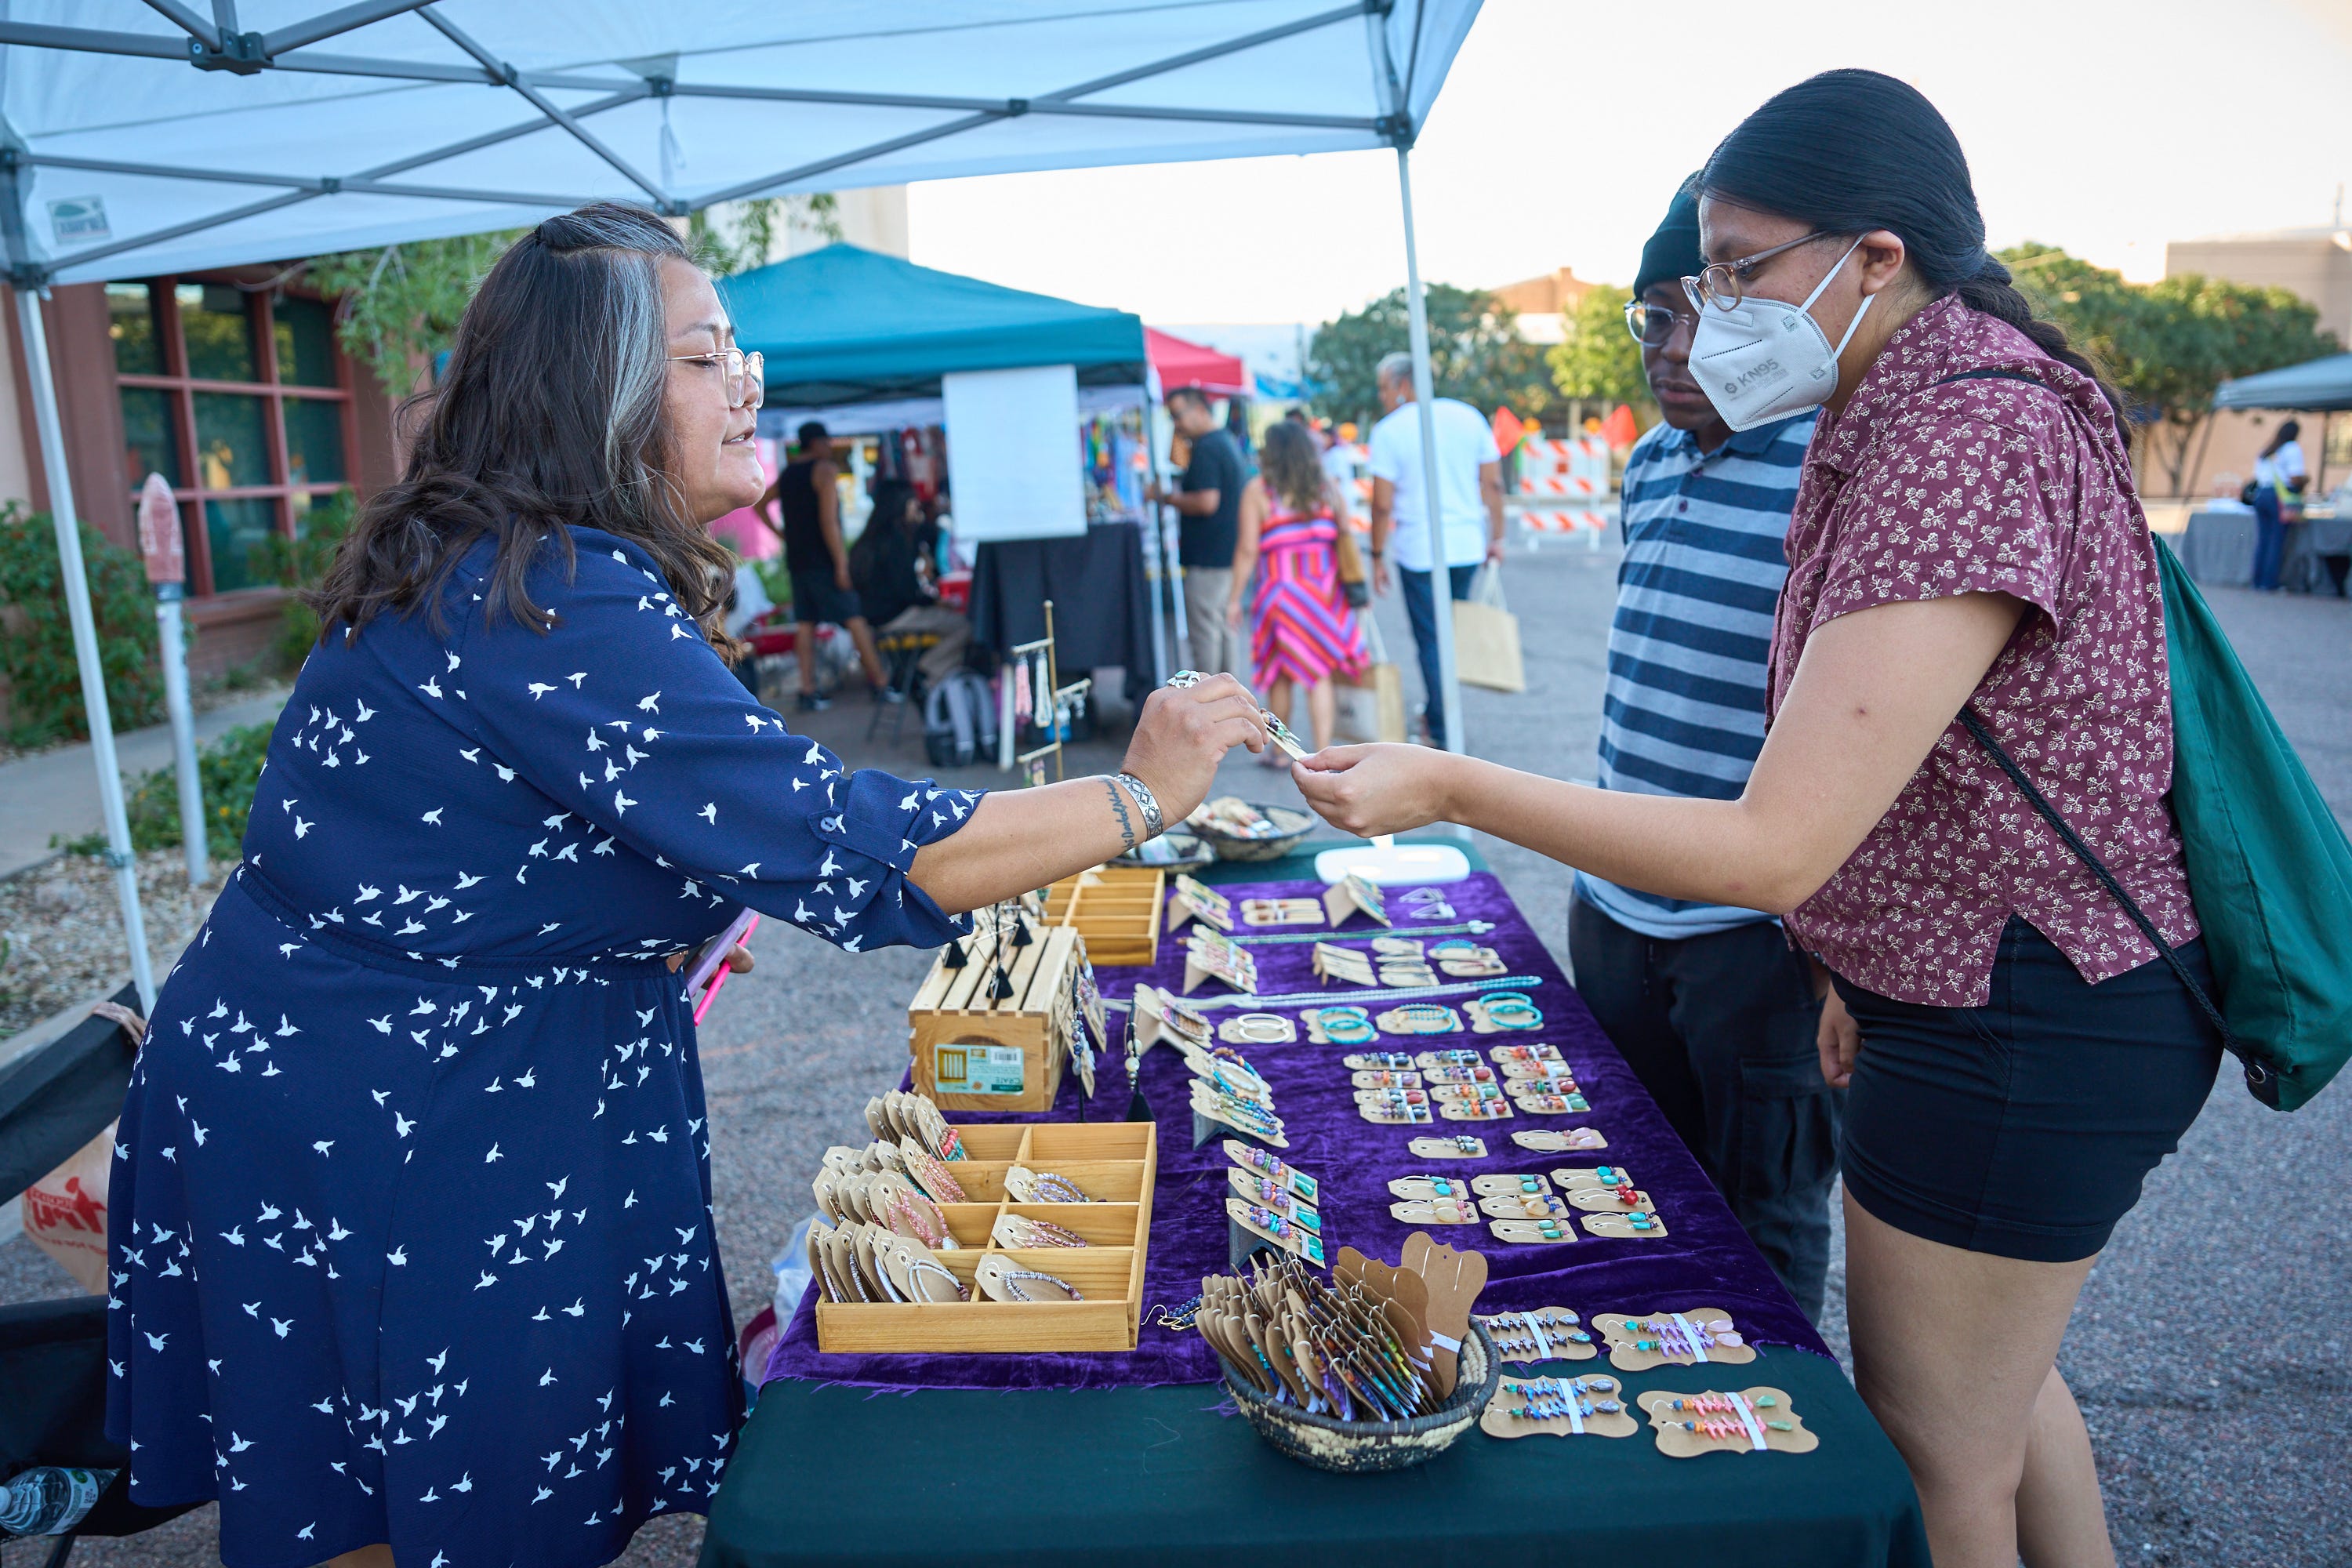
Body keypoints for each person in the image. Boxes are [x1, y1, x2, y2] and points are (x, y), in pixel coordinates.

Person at [103, 202, 1268, 1568]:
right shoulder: (552, 591)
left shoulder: (512, 560)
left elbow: (519, 835)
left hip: (371, 1078)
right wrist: (1142, 793)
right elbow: (876, 844)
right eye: (711, 356)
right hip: (399, 1116)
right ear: (593, 392)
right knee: (435, 1498)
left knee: (398, 1488)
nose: (748, 388)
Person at [1291, 71, 2219, 1568]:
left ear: (1875, 257)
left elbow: (1780, 836)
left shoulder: (1964, 431)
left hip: (2027, 1013)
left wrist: (1454, 784)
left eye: (1738, 270)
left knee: (1935, 1449)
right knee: (2002, 1391)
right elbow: (1906, 783)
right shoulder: (1905, 403)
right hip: (1977, 987)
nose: (1708, 312)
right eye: (1698, 279)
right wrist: (1850, 954)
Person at [1569, 178, 1838, 1322]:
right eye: (1651, 318)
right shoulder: (1647, 467)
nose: (1672, 350)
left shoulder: (1832, 472)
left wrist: (1836, 957)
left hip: (1754, 942)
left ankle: (1779, 1455)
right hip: (1615, 916)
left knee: (1763, 1215)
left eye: (1704, 313)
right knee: (1639, 1192)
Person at [1364, 351, 1503, 748]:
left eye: (1384, 388)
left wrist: (1376, 556)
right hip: (1466, 546)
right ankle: (1441, 715)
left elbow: (1381, 504)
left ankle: (1442, 729)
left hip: (1419, 549)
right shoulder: (1468, 416)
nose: (1383, 397)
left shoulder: (1390, 430)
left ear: (1403, 384)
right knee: (1450, 634)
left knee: (1431, 639)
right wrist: (1498, 536)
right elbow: (1492, 484)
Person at [1226, 419, 1370, 756]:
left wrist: (1234, 598)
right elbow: (1345, 537)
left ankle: (1290, 753)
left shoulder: (1259, 492)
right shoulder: (1327, 489)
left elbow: (1248, 550)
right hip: (1324, 593)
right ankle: (1313, 751)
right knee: (1314, 671)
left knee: (1286, 672)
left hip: (1282, 595)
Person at [764, 420, 890, 710]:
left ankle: (808, 691)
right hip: (823, 560)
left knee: (806, 625)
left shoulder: (790, 473)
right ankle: (881, 684)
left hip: (798, 560)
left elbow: (761, 505)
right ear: (818, 443)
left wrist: (782, 534)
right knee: (855, 618)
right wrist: (842, 564)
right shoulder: (824, 470)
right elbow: (828, 521)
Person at [1150, 386, 1248, 677]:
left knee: (1207, 636)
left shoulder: (1207, 446)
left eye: (1178, 416)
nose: (1176, 424)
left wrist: (1166, 498)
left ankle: (1209, 704)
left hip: (1209, 559)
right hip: (1224, 555)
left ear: (1200, 410)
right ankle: (1229, 701)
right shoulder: (1223, 441)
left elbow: (1207, 502)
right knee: (1222, 631)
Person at [850, 477, 971, 688]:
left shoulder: (870, 538)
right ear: (902, 503)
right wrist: (936, 602)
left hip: (877, 616)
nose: (917, 505)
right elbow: (907, 592)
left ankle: (927, 672)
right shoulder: (896, 539)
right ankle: (929, 669)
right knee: (966, 626)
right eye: (913, 501)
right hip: (896, 616)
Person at [2249, 418, 2306, 592]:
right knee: (2277, 540)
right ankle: (2270, 582)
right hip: (2279, 498)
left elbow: (2257, 476)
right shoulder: (2292, 449)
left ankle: (2258, 581)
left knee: (2264, 540)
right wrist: (2306, 480)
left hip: (2262, 495)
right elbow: (2296, 477)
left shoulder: (2267, 450)